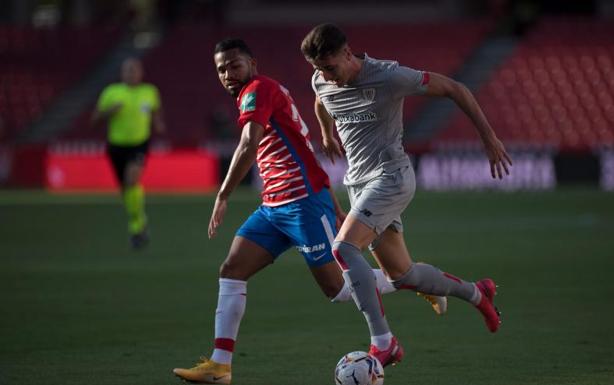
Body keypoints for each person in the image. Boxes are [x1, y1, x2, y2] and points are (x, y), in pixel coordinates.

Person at [172, 38, 447, 385]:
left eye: (234, 65)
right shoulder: (252, 93)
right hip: (274, 205)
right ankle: (220, 365)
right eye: (221, 69)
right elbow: (296, 142)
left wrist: (223, 194)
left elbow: (248, 143)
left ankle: (416, 280)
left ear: (252, 64)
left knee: (339, 290)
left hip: (302, 201)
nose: (228, 74)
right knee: (232, 269)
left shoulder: (258, 89)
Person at [300, 23, 513, 367]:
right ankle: (478, 293)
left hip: (391, 176)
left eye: (330, 67)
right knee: (402, 276)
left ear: (347, 53)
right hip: (358, 184)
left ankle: (383, 342)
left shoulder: (388, 76)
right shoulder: (321, 80)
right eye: (318, 69)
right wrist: (326, 134)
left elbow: (455, 88)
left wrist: (488, 138)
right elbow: (320, 101)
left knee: (342, 248)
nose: (326, 76)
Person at [92, 58, 165, 249]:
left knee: (132, 180)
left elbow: (155, 112)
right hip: (116, 145)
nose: (131, 74)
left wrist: (158, 123)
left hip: (139, 144)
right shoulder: (111, 92)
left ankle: (136, 227)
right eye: (128, 70)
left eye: (135, 70)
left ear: (141, 73)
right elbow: (94, 120)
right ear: (122, 73)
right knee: (126, 189)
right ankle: (140, 219)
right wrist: (109, 112)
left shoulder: (150, 92)